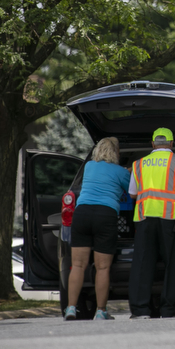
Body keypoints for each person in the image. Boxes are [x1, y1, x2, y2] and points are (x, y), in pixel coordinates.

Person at [127, 127, 175, 319]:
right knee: (171, 264)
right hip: (171, 219)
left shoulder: (139, 164)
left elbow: (132, 194)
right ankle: (168, 310)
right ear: (171, 143)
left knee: (142, 263)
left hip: (144, 218)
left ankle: (140, 310)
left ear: (152, 144)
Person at [65, 136, 130, 321]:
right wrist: (128, 173)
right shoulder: (120, 172)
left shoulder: (89, 166)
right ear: (116, 152)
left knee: (78, 265)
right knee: (102, 268)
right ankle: (101, 311)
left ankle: (71, 308)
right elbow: (132, 191)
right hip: (105, 215)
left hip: (82, 213)